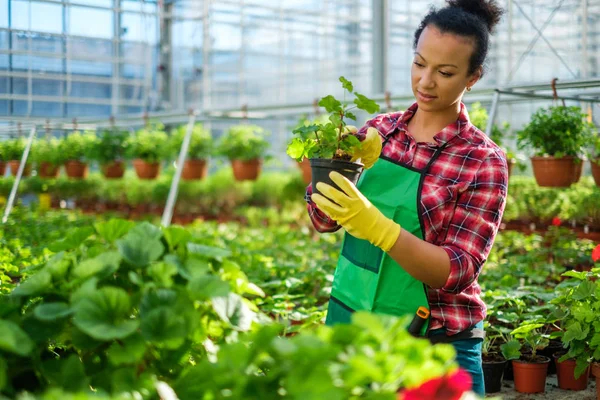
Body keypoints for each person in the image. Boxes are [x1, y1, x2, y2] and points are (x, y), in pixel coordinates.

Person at [305, 0, 507, 396]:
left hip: (435, 340)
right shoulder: (378, 133)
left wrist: (378, 228)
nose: (426, 82)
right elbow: (323, 221)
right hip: (353, 321)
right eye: (419, 63)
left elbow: (458, 270)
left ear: (473, 76)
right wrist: (326, 180)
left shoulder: (482, 160)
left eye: (445, 72)